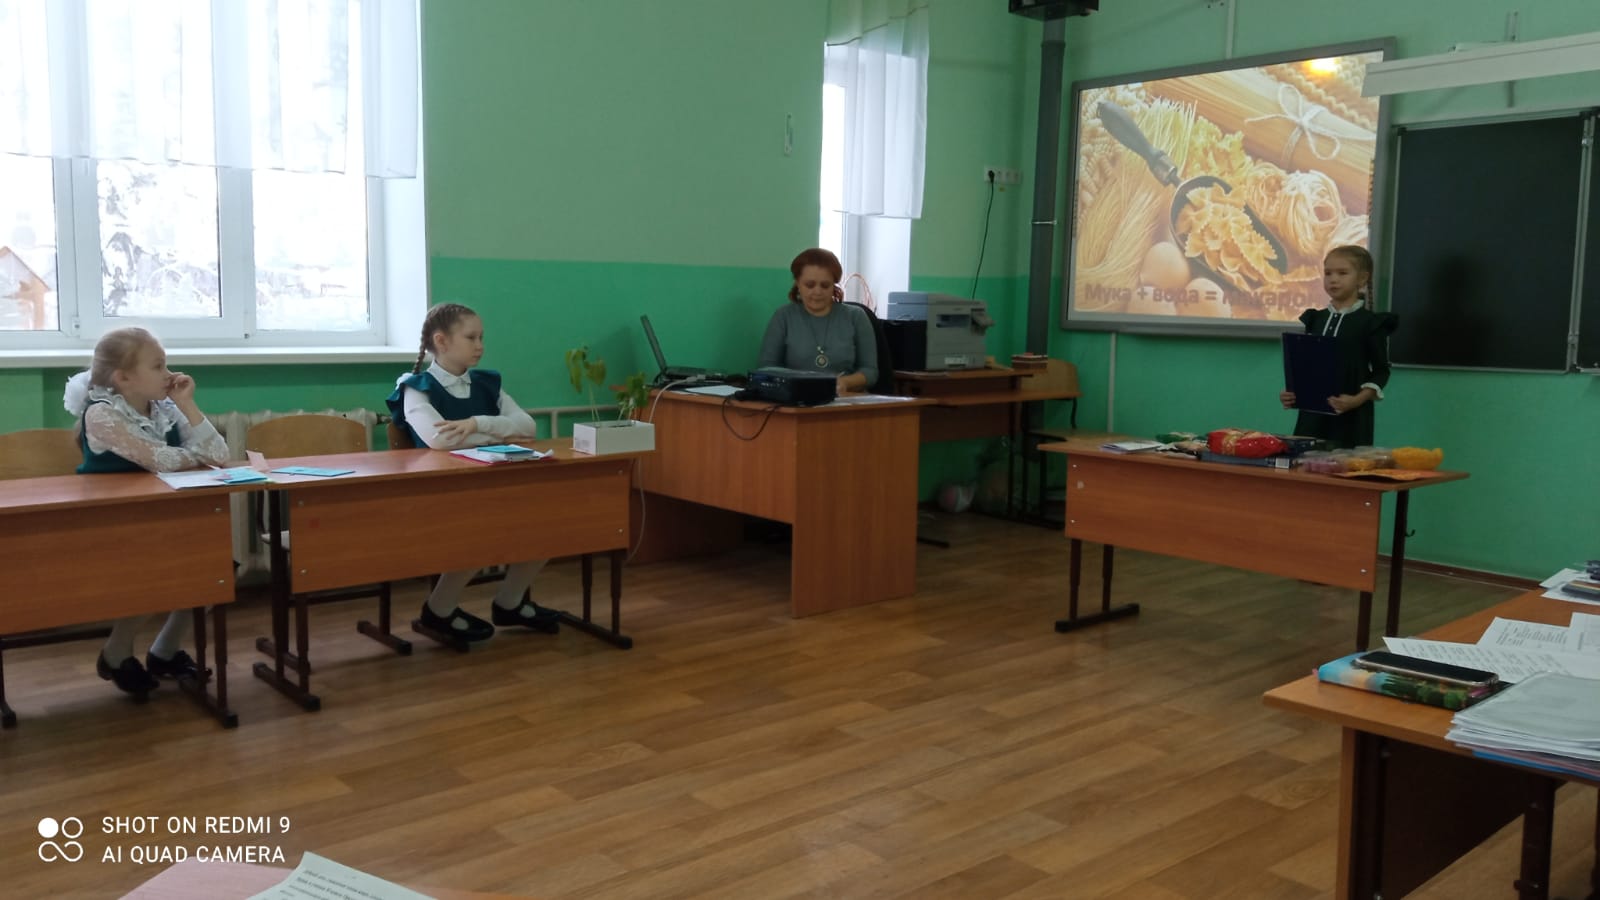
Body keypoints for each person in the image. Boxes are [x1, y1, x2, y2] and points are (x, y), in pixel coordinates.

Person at [62, 327, 225, 696]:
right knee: (159, 572)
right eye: (158, 366)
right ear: (124, 378)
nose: (169, 374)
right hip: (113, 523)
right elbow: (160, 460)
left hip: (161, 519)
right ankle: (116, 653)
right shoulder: (101, 414)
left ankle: (164, 652)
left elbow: (218, 454)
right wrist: (196, 457)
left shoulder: (165, 407)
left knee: (216, 570)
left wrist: (187, 404)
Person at [386, 302, 557, 642]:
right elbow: (441, 440)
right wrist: (500, 432)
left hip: (493, 483)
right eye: (471, 337)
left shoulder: (487, 382)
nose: (480, 345)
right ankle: (439, 609)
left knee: (549, 524)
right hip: (442, 490)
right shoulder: (416, 386)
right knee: (480, 528)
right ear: (442, 341)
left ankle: (510, 602)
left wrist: (477, 424)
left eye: (481, 337)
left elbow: (528, 428)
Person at [1279, 245, 1398, 449]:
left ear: (1362, 279)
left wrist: (1356, 400)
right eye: (1328, 273)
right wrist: (1293, 394)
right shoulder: (1315, 319)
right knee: (1307, 461)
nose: (1333, 279)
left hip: (1351, 419)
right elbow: (1309, 366)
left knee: (1345, 463)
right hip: (1312, 418)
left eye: (1342, 273)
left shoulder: (1371, 323)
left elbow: (1381, 371)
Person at [758, 248, 878, 394]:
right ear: (798, 284)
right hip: (796, 398)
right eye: (810, 285)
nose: (817, 291)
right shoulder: (783, 316)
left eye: (825, 285)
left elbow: (870, 371)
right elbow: (766, 368)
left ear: (834, 285)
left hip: (845, 398)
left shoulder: (856, 317)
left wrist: (844, 382)